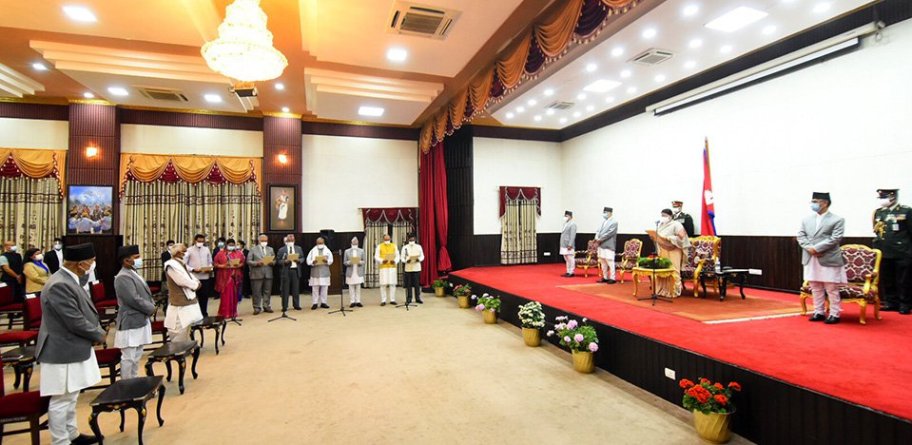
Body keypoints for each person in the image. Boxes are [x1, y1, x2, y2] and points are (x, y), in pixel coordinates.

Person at [36, 242, 106, 445]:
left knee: (71, 395)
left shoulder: (69, 278)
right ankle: (60, 441)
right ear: (80, 264)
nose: (93, 265)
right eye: (91, 261)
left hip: (72, 347)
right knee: (61, 399)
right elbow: (74, 320)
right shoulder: (59, 284)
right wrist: (99, 334)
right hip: (61, 350)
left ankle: (72, 434)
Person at [798, 192, 846, 324]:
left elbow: (835, 238)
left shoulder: (837, 219)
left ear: (824, 203)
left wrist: (817, 248)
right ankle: (818, 311)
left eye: (815, 201)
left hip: (828, 257)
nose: (812, 204)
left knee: (831, 287)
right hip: (810, 256)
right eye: (812, 201)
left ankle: (834, 313)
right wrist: (810, 248)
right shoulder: (806, 219)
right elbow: (801, 236)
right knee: (815, 286)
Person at [113, 245, 155, 379]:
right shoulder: (122, 277)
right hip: (130, 322)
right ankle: (126, 384)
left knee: (137, 355)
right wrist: (151, 308)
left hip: (140, 319)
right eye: (136, 257)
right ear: (126, 260)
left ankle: (134, 381)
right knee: (129, 357)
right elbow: (133, 299)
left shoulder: (133, 272)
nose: (139, 259)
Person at [872, 188, 912, 315]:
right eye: (881, 198)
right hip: (884, 251)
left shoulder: (906, 211)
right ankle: (890, 302)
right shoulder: (879, 212)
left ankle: (905, 304)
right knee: (887, 279)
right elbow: (877, 231)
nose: (882, 200)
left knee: (903, 280)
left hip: (902, 251)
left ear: (893, 197)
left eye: (884, 197)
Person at [163, 243, 204, 341]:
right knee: (178, 329)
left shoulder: (181, 263)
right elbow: (182, 281)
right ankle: (178, 348)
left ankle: (186, 346)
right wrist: (195, 285)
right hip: (179, 302)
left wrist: (197, 283)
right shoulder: (171, 265)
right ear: (178, 253)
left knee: (187, 328)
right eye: (184, 251)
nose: (186, 254)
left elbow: (191, 277)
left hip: (189, 300)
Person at [654, 208, 691, 297]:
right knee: (663, 270)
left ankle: (674, 291)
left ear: (670, 216)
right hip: (663, 250)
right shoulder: (661, 225)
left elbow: (682, 237)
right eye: (662, 215)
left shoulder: (676, 224)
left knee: (673, 269)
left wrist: (670, 238)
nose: (663, 217)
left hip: (674, 250)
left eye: (665, 216)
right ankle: (663, 290)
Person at [214, 239, 245, 321]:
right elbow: (215, 264)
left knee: (234, 295)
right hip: (224, 277)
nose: (231, 246)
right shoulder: (220, 253)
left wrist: (238, 265)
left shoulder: (239, 253)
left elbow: (242, 263)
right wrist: (223, 266)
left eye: (232, 245)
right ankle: (224, 313)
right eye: (229, 245)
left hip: (235, 276)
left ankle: (233, 312)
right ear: (226, 245)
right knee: (225, 295)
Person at [186, 234, 214, 318]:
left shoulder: (206, 249)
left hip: (205, 277)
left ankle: (204, 313)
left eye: (202, 241)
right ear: (195, 241)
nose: (200, 243)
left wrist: (209, 268)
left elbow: (210, 261)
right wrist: (192, 269)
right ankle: (194, 315)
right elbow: (184, 264)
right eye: (199, 241)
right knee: (193, 297)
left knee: (204, 297)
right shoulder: (189, 250)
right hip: (194, 278)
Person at [247, 233, 275, 315]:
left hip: (268, 273)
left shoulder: (270, 249)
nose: (264, 242)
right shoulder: (253, 249)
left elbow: (274, 260)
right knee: (256, 292)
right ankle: (256, 307)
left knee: (267, 291)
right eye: (262, 240)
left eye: (266, 241)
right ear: (259, 241)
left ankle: (266, 306)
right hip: (256, 273)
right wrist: (257, 263)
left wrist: (272, 262)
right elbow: (248, 261)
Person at [277, 234, 305, 312]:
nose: (291, 241)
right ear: (286, 241)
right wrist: (284, 261)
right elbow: (278, 260)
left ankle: (296, 305)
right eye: (289, 240)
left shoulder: (298, 248)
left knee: (296, 289)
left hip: (295, 270)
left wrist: (299, 260)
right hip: (286, 271)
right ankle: (284, 306)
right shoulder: (282, 249)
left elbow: (302, 258)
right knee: (285, 290)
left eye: (292, 240)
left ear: (294, 240)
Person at [306, 237, 333, 310]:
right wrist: (313, 262)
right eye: (319, 243)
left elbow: (331, 260)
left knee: (324, 287)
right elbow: (308, 261)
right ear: (316, 243)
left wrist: (326, 261)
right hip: (315, 271)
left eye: (321, 243)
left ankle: (324, 302)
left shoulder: (327, 251)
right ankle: (315, 303)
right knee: (315, 288)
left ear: (324, 243)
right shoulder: (312, 251)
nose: (320, 244)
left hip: (324, 271)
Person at [594, 207, 618, 284]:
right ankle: (605, 277)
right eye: (604, 212)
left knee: (610, 261)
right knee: (602, 261)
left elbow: (609, 233)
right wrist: (596, 238)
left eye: (606, 212)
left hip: (608, 244)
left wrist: (600, 239)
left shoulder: (614, 222)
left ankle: (612, 278)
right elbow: (598, 231)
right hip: (601, 244)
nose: (604, 214)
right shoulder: (603, 221)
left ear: (610, 213)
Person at [374, 234, 400, 306]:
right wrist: (382, 261)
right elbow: (376, 256)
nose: (387, 240)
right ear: (383, 239)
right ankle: (383, 300)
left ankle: (392, 299)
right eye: (385, 239)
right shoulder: (379, 246)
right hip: (383, 267)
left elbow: (397, 255)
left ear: (390, 239)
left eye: (388, 239)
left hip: (392, 267)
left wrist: (395, 261)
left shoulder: (394, 246)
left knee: (392, 284)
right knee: (383, 284)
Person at [401, 233, 425, 304]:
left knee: (417, 284)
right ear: (408, 239)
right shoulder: (405, 247)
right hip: (408, 268)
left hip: (416, 267)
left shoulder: (419, 247)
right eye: (410, 239)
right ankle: (409, 298)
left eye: (413, 239)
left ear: (415, 239)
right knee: (408, 284)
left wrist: (419, 259)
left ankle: (418, 298)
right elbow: (402, 257)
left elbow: (422, 256)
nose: (412, 240)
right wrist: (406, 261)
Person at [343, 237, 365, 308]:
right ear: (351, 243)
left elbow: (364, 261)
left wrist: (359, 262)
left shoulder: (361, 251)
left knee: (358, 287)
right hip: (350, 271)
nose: (355, 242)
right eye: (354, 241)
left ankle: (358, 301)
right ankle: (352, 301)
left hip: (358, 271)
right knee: (351, 287)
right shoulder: (347, 251)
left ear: (358, 243)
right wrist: (350, 262)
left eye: (356, 241)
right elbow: (345, 262)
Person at [560, 211, 577, 277]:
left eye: (567, 216)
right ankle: (568, 271)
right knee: (566, 258)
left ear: (571, 217)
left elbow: (572, 235)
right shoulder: (565, 223)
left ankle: (571, 272)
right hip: (563, 244)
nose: (565, 217)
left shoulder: (573, 224)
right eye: (565, 216)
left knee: (570, 258)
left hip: (569, 244)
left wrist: (570, 244)